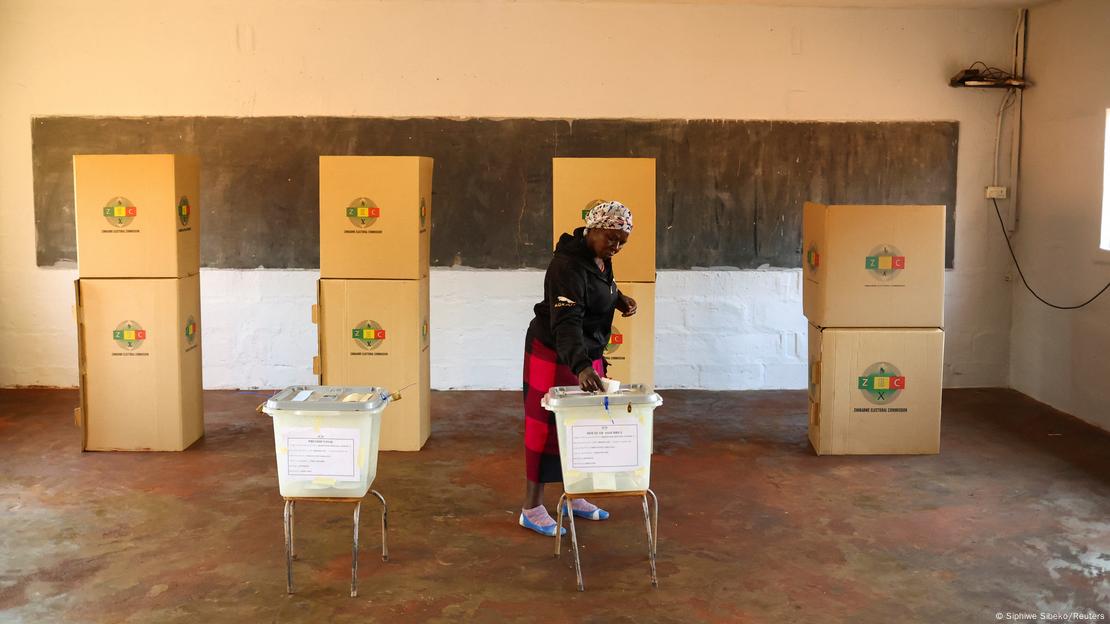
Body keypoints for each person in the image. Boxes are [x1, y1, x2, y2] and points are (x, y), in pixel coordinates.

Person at [518, 200, 638, 536]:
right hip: (555, 352)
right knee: (545, 427)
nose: (616, 246)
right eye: (612, 238)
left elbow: (595, 288)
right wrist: (583, 368)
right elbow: (566, 322)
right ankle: (532, 507)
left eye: (622, 241)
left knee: (583, 427)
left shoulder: (599, 258)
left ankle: (575, 495)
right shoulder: (566, 266)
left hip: (587, 352)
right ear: (594, 228)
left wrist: (618, 298)